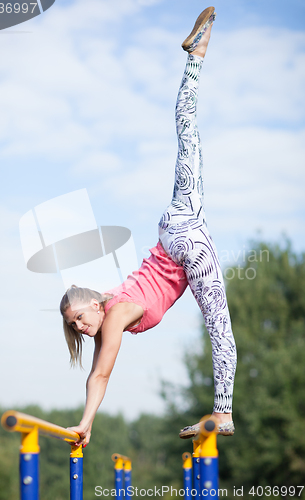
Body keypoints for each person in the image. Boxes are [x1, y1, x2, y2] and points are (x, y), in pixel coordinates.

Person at [60, 6, 237, 446]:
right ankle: (196, 56)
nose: (81, 328)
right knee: (186, 134)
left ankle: (224, 411)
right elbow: (97, 368)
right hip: (176, 227)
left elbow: (101, 372)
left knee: (220, 327)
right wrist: (87, 421)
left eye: (80, 319)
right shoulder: (110, 305)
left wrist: (86, 423)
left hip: (184, 238)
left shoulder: (116, 312)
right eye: (74, 326)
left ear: (96, 308)